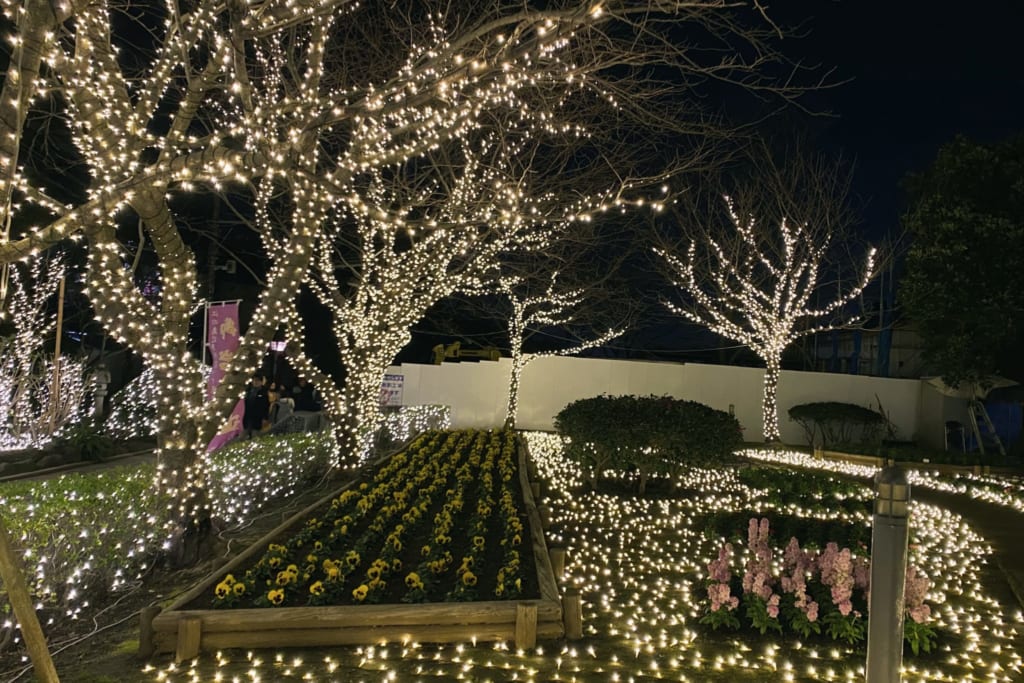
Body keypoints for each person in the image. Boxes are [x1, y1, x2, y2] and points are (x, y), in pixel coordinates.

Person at [243, 374, 269, 439]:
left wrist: (265, 417)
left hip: (258, 417)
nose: (255, 382)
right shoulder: (248, 390)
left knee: (255, 435)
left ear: (261, 382)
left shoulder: (264, 392)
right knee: (245, 433)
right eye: (254, 380)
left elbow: (266, 405)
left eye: (257, 381)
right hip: (247, 416)